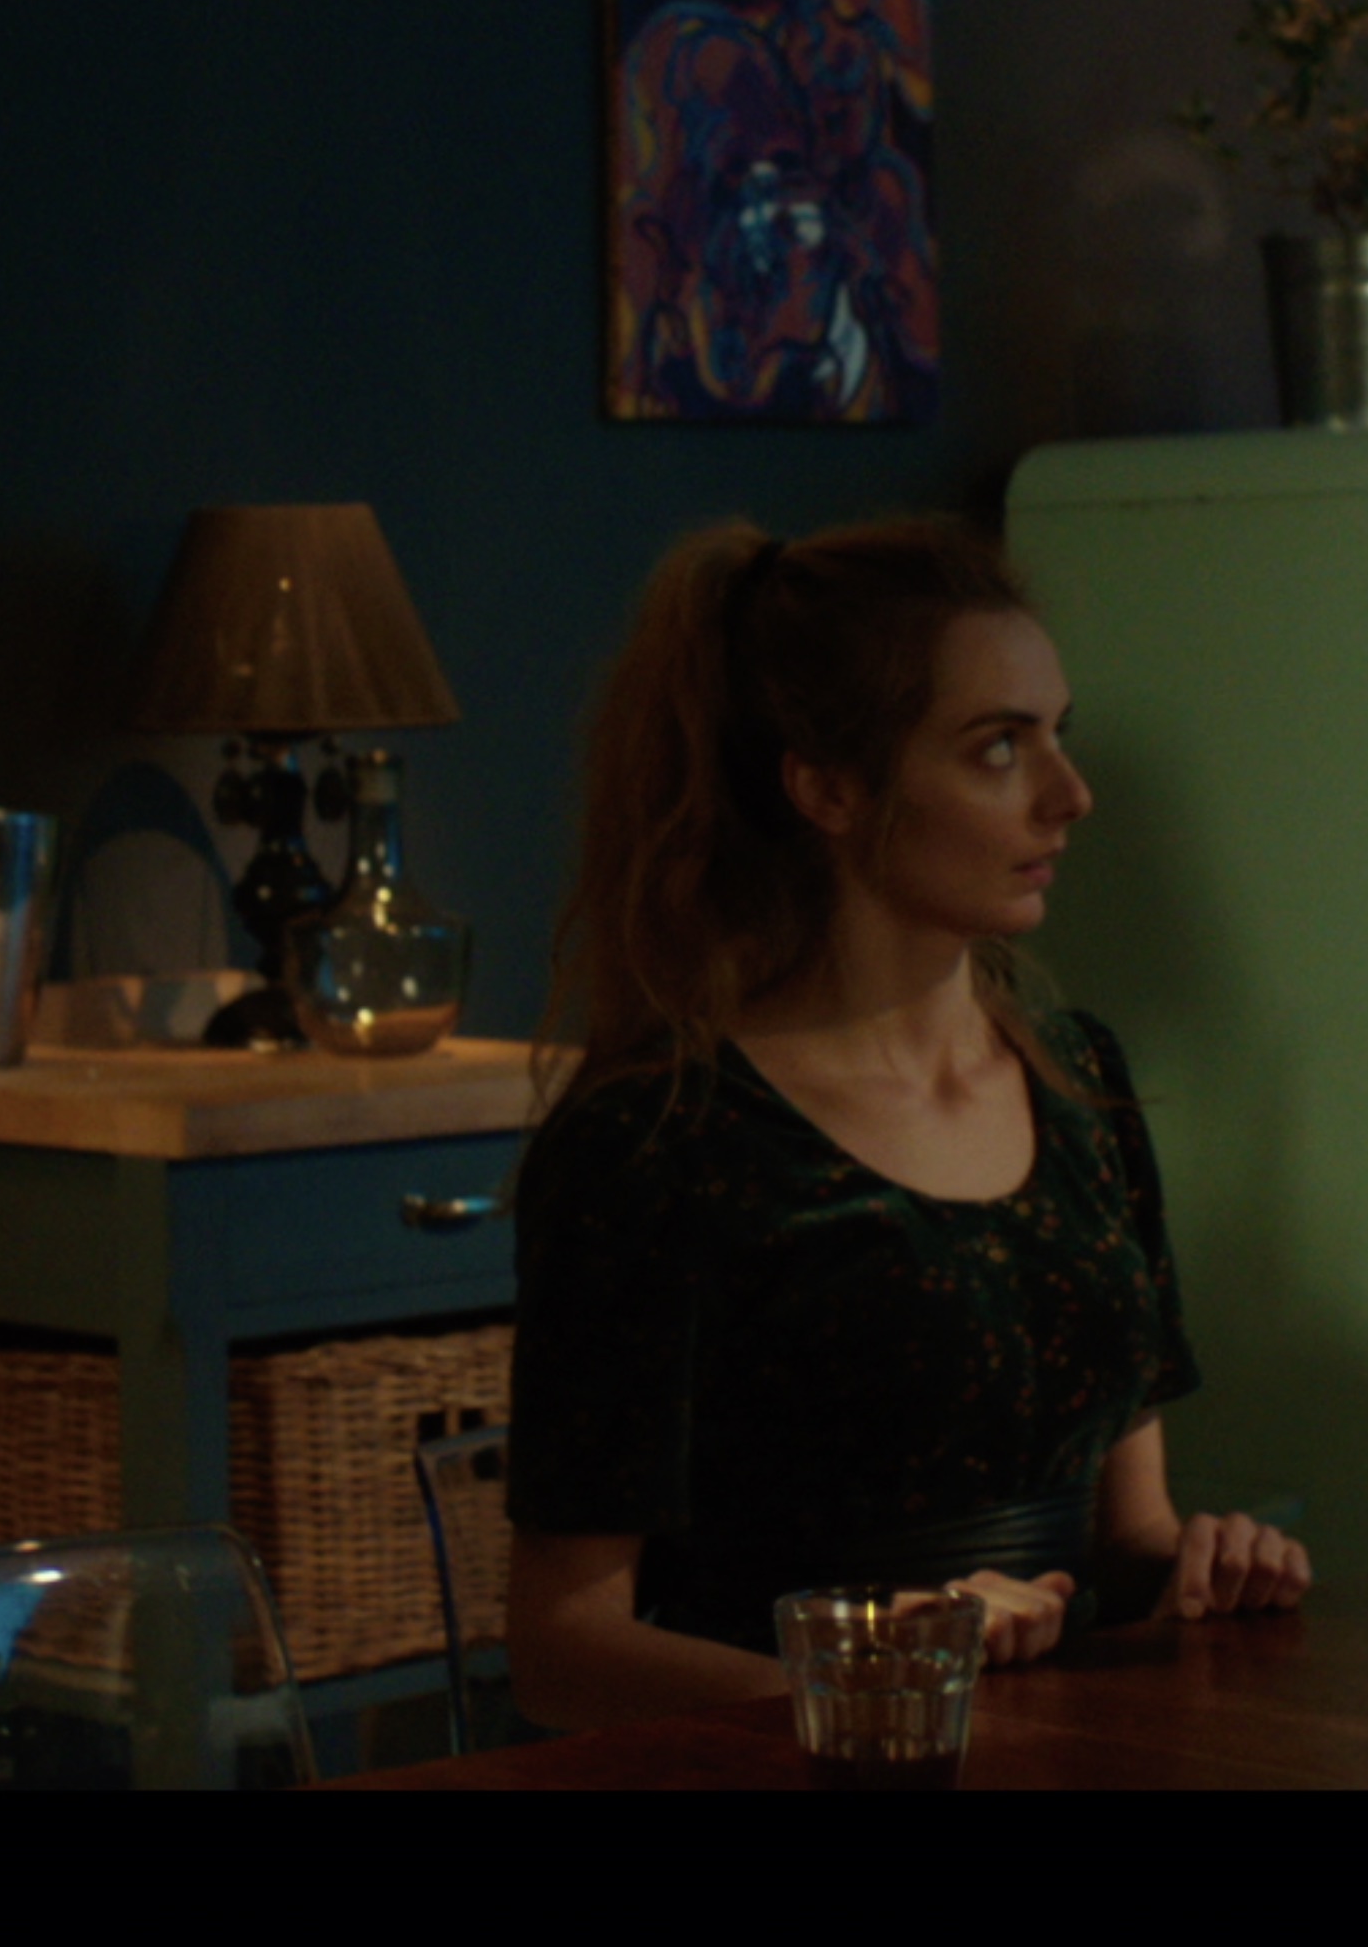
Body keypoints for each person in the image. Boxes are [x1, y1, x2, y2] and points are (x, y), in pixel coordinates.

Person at [503, 517, 1308, 1729]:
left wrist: (1206, 1568)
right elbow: (561, 1649)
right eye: (999, 749)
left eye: (1059, 735)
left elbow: (1125, 1535)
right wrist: (878, 1672)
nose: (1070, 796)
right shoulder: (661, 1143)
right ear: (828, 788)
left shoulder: (1077, 1080)